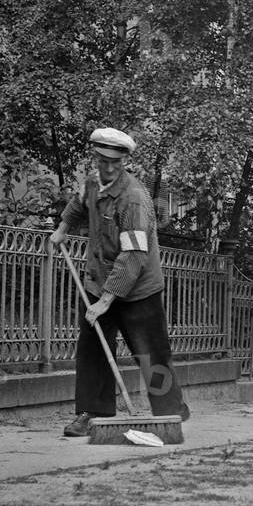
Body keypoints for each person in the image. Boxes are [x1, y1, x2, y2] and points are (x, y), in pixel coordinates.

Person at [49, 126, 189, 436]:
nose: (109, 168)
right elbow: (78, 203)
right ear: (96, 158)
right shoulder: (92, 183)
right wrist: (62, 228)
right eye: (103, 161)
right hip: (99, 281)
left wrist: (106, 301)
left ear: (124, 160)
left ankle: (169, 414)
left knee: (150, 354)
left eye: (116, 162)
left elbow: (134, 256)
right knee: (94, 347)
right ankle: (93, 413)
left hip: (139, 287)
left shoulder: (133, 198)